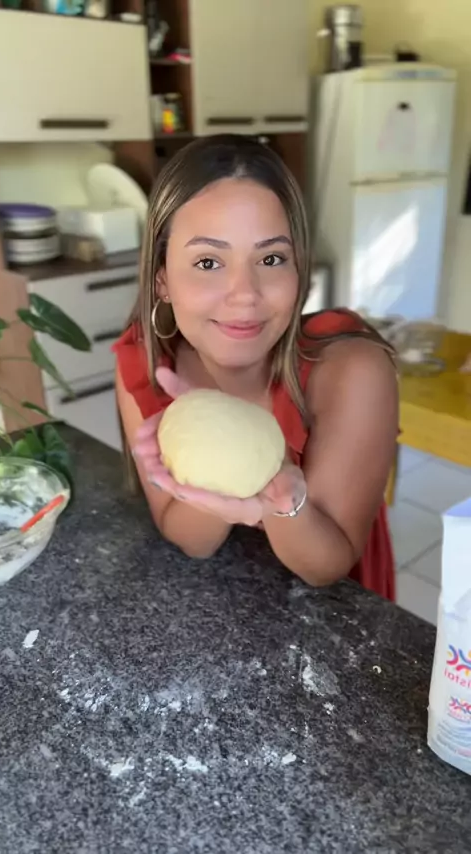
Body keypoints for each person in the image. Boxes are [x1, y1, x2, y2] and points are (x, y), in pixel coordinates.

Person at [114, 135, 398, 600]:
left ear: (298, 269)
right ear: (162, 277)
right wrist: (223, 467)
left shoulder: (352, 370)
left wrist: (278, 491)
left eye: (270, 258)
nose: (245, 293)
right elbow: (192, 541)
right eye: (208, 261)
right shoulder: (148, 362)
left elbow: (326, 569)